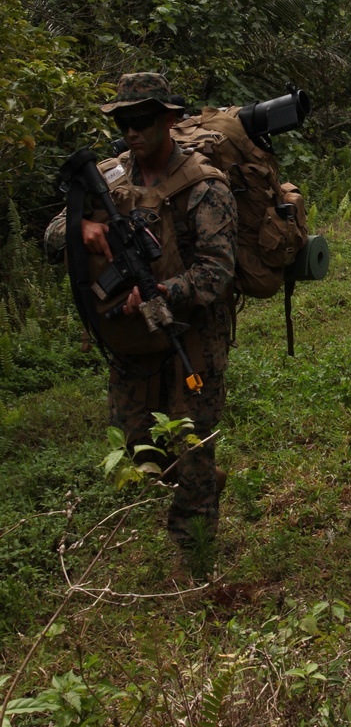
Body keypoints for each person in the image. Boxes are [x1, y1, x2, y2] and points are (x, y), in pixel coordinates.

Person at [44, 73, 237, 567]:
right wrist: (80, 226)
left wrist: (158, 293)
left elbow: (217, 273)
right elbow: (50, 236)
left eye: (142, 120)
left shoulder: (205, 185)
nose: (132, 131)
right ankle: (199, 479)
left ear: (169, 119)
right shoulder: (106, 177)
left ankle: (193, 554)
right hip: (131, 338)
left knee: (191, 437)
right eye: (123, 121)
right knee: (137, 442)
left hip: (191, 333)